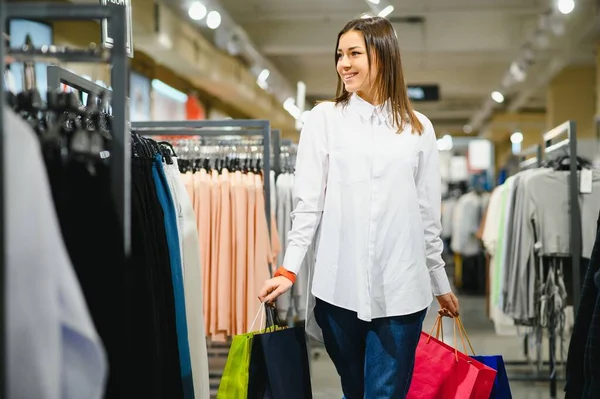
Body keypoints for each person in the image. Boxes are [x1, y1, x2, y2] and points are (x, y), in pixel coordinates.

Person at [259, 16, 459, 398]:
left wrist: (439, 280)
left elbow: (426, 215)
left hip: (402, 291)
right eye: (339, 55)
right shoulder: (323, 120)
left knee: (383, 393)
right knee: (354, 389)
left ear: (382, 57)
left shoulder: (418, 129)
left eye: (354, 54)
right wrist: (289, 269)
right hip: (338, 291)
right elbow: (308, 204)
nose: (343, 64)